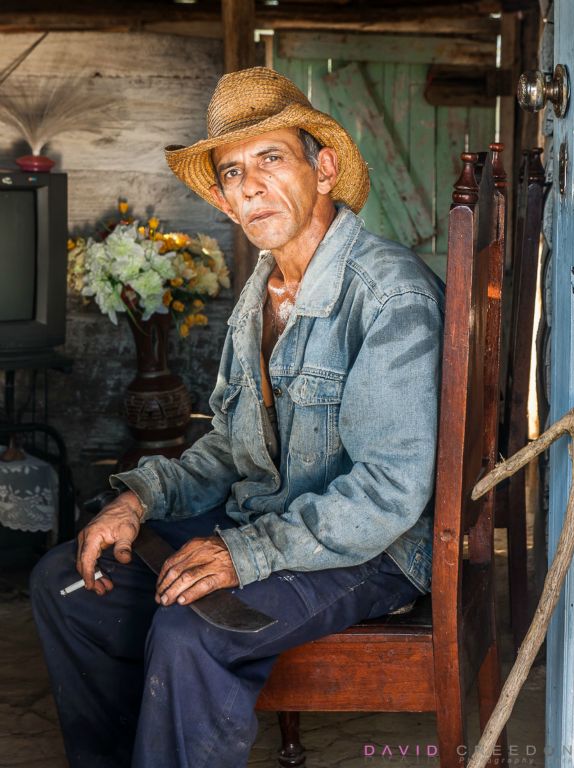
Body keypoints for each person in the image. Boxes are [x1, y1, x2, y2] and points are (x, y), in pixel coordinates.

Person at [31, 66, 444, 768]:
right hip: (273, 520)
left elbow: (389, 493)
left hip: (372, 553)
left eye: (271, 158)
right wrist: (139, 498)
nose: (250, 185)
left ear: (325, 166)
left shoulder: (389, 295)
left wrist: (243, 554)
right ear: (223, 201)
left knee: (192, 631)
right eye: (232, 173)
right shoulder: (262, 292)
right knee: (67, 585)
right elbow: (229, 445)